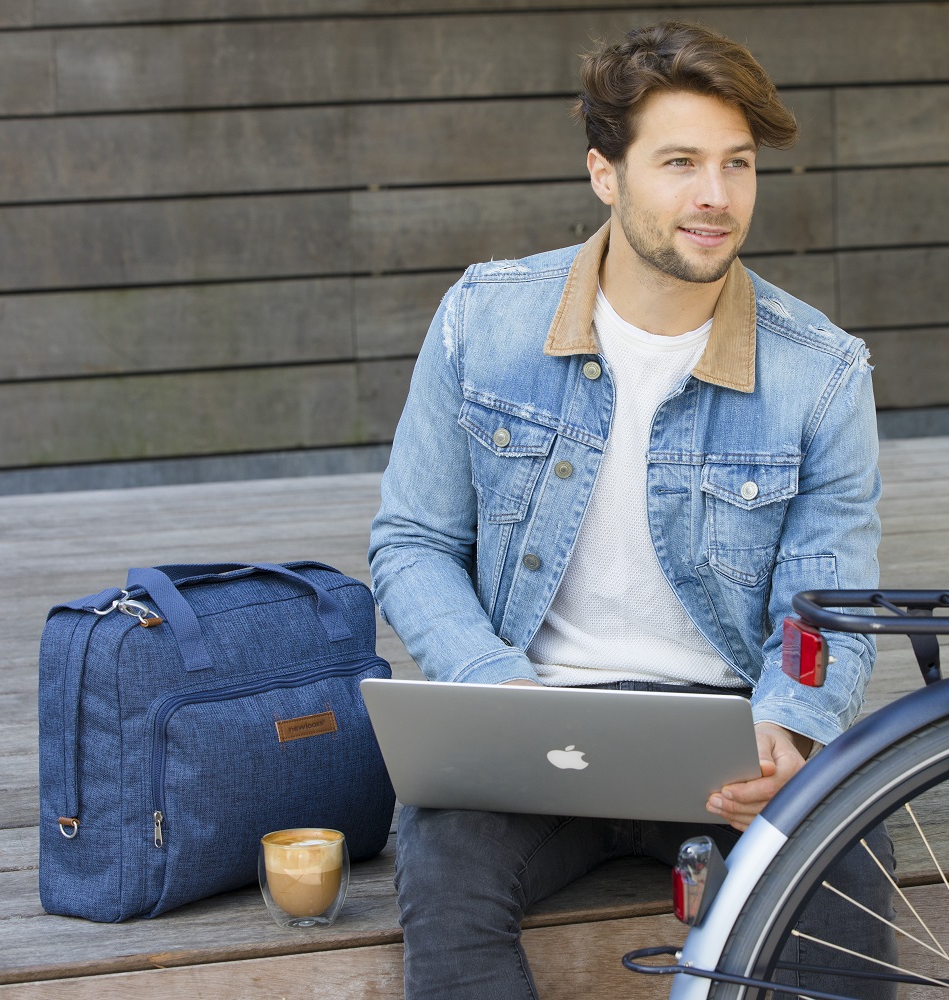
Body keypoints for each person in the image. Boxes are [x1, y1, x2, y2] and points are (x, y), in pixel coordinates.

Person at [369, 20, 894, 998]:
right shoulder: (485, 322)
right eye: (681, 162)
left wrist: (790, 722)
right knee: (444, 880)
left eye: (738, 165)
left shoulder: (819, 372)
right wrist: (493, 685)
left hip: (725, 734)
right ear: (604, 172)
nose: (717, 197)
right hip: (530, 722)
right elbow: (412, 542)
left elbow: (829, 602)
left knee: (845, 885)